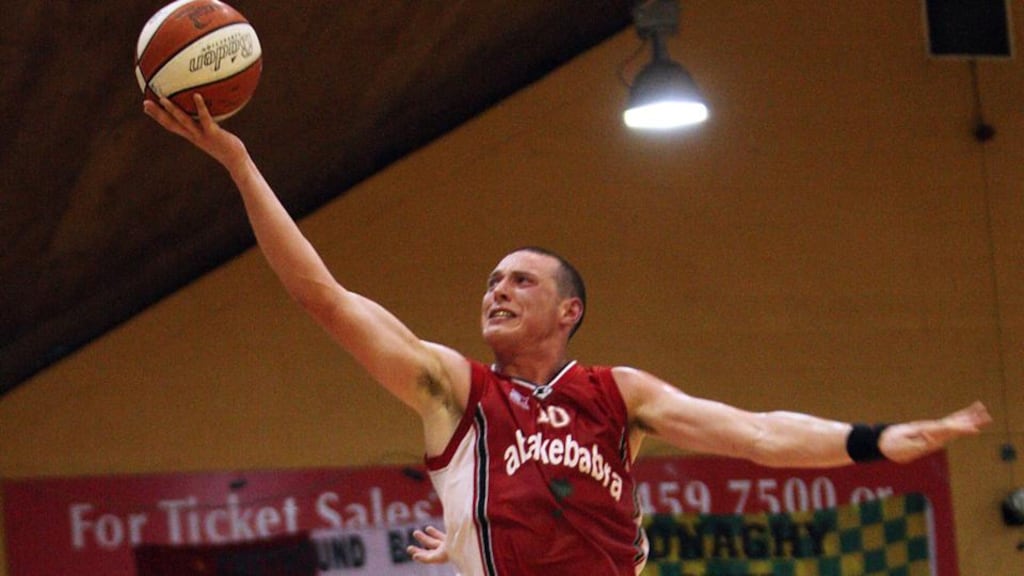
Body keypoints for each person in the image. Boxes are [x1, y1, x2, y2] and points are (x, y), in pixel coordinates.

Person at [144, 94, 992, 575]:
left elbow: (761, 434)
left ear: (568, 312)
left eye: (521, 280)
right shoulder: (457, 389)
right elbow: (322, 297)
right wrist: (240, 165)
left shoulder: (619, 397)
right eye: (490, 280)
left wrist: (875, 440)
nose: (497, 291)